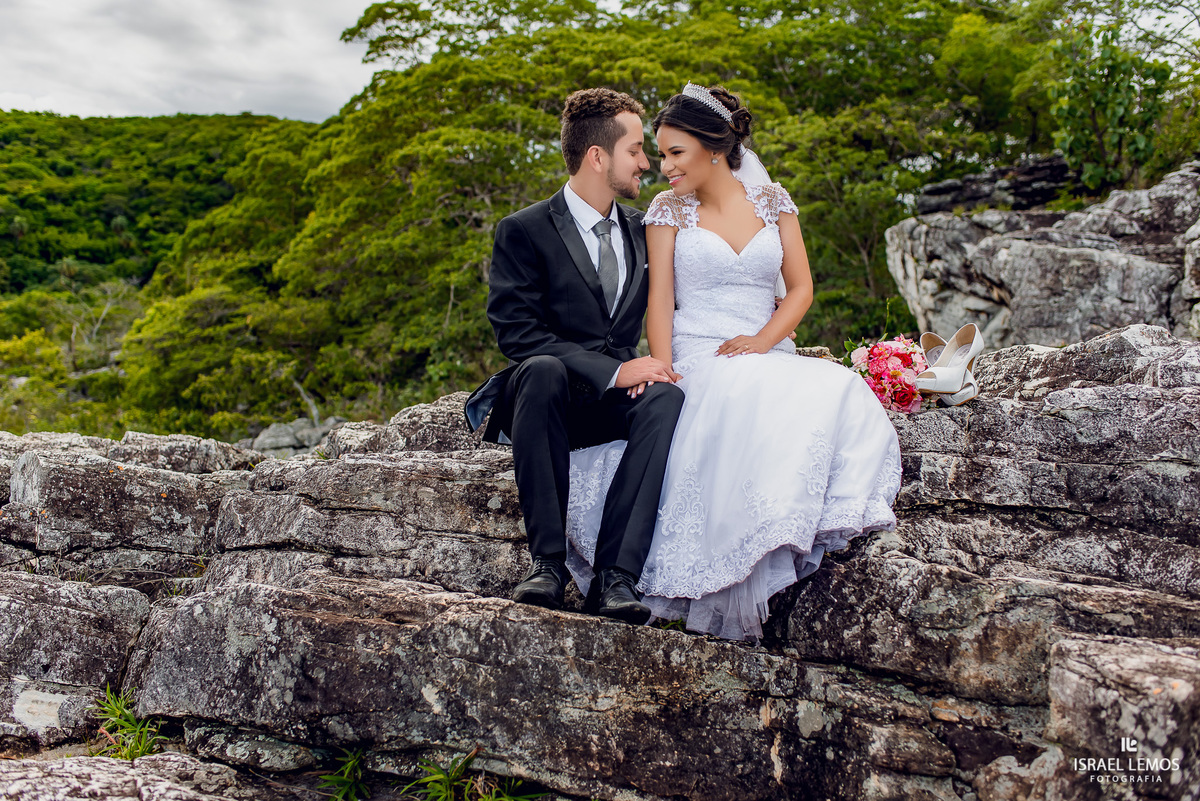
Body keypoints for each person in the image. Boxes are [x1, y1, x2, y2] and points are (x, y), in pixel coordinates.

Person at [562, 84, 902, 641]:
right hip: (698, 350)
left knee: (836, 387)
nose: (662, 166)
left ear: (713, 148)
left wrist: (763, 340)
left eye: (675, 152)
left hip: (761, 346)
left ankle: (787, 524)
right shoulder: (667, 211)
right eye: (659, 153)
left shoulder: (775, 202)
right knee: (746, 392)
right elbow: (661, 301)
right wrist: (664, 368)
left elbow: (799, 289)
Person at [464, 88, 685, 625]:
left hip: (610, 403)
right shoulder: (523, 230)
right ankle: (547, 564)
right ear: (597, 157)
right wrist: (613, 369)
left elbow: (683, 295)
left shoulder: (645, 229)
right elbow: (517, 333)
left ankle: (615, 578)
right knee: (539, 368)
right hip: (547, 400)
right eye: (635, 150)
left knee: (665, 399)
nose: (647, 162)